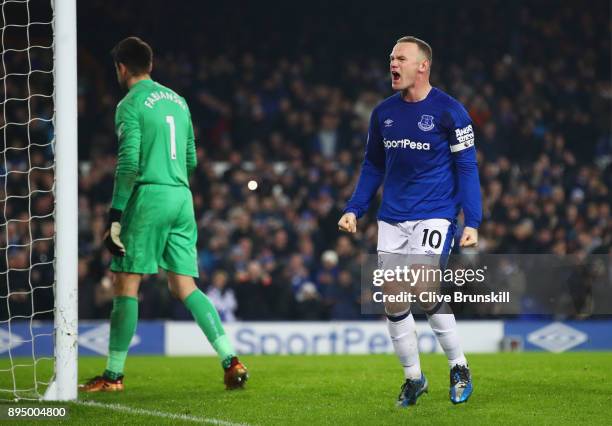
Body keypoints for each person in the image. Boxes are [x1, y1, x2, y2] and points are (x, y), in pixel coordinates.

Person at [80, 37, 248, 392]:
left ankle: (113, 376)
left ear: (121, 68)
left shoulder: (130, 104)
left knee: (126, 283)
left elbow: (128, 163)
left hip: (150, 196)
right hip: (181, 197)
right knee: (185, 286)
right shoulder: (179, 101)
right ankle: (230, 360)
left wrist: (115, 215)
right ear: (150, 66)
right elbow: (191, 159)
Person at [338, 36, 480, 407]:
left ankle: (458, 365)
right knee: (393, 299)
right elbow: (372, 164)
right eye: (390, 59)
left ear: (423, 66)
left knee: (422, 284)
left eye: (400, 58)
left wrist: (473, 219)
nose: (392, 65)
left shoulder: (450, 111)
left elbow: (467, 167)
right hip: (392, 217)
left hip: (435, 212)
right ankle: (414, 379)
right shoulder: (382, 113)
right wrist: (355, 208)